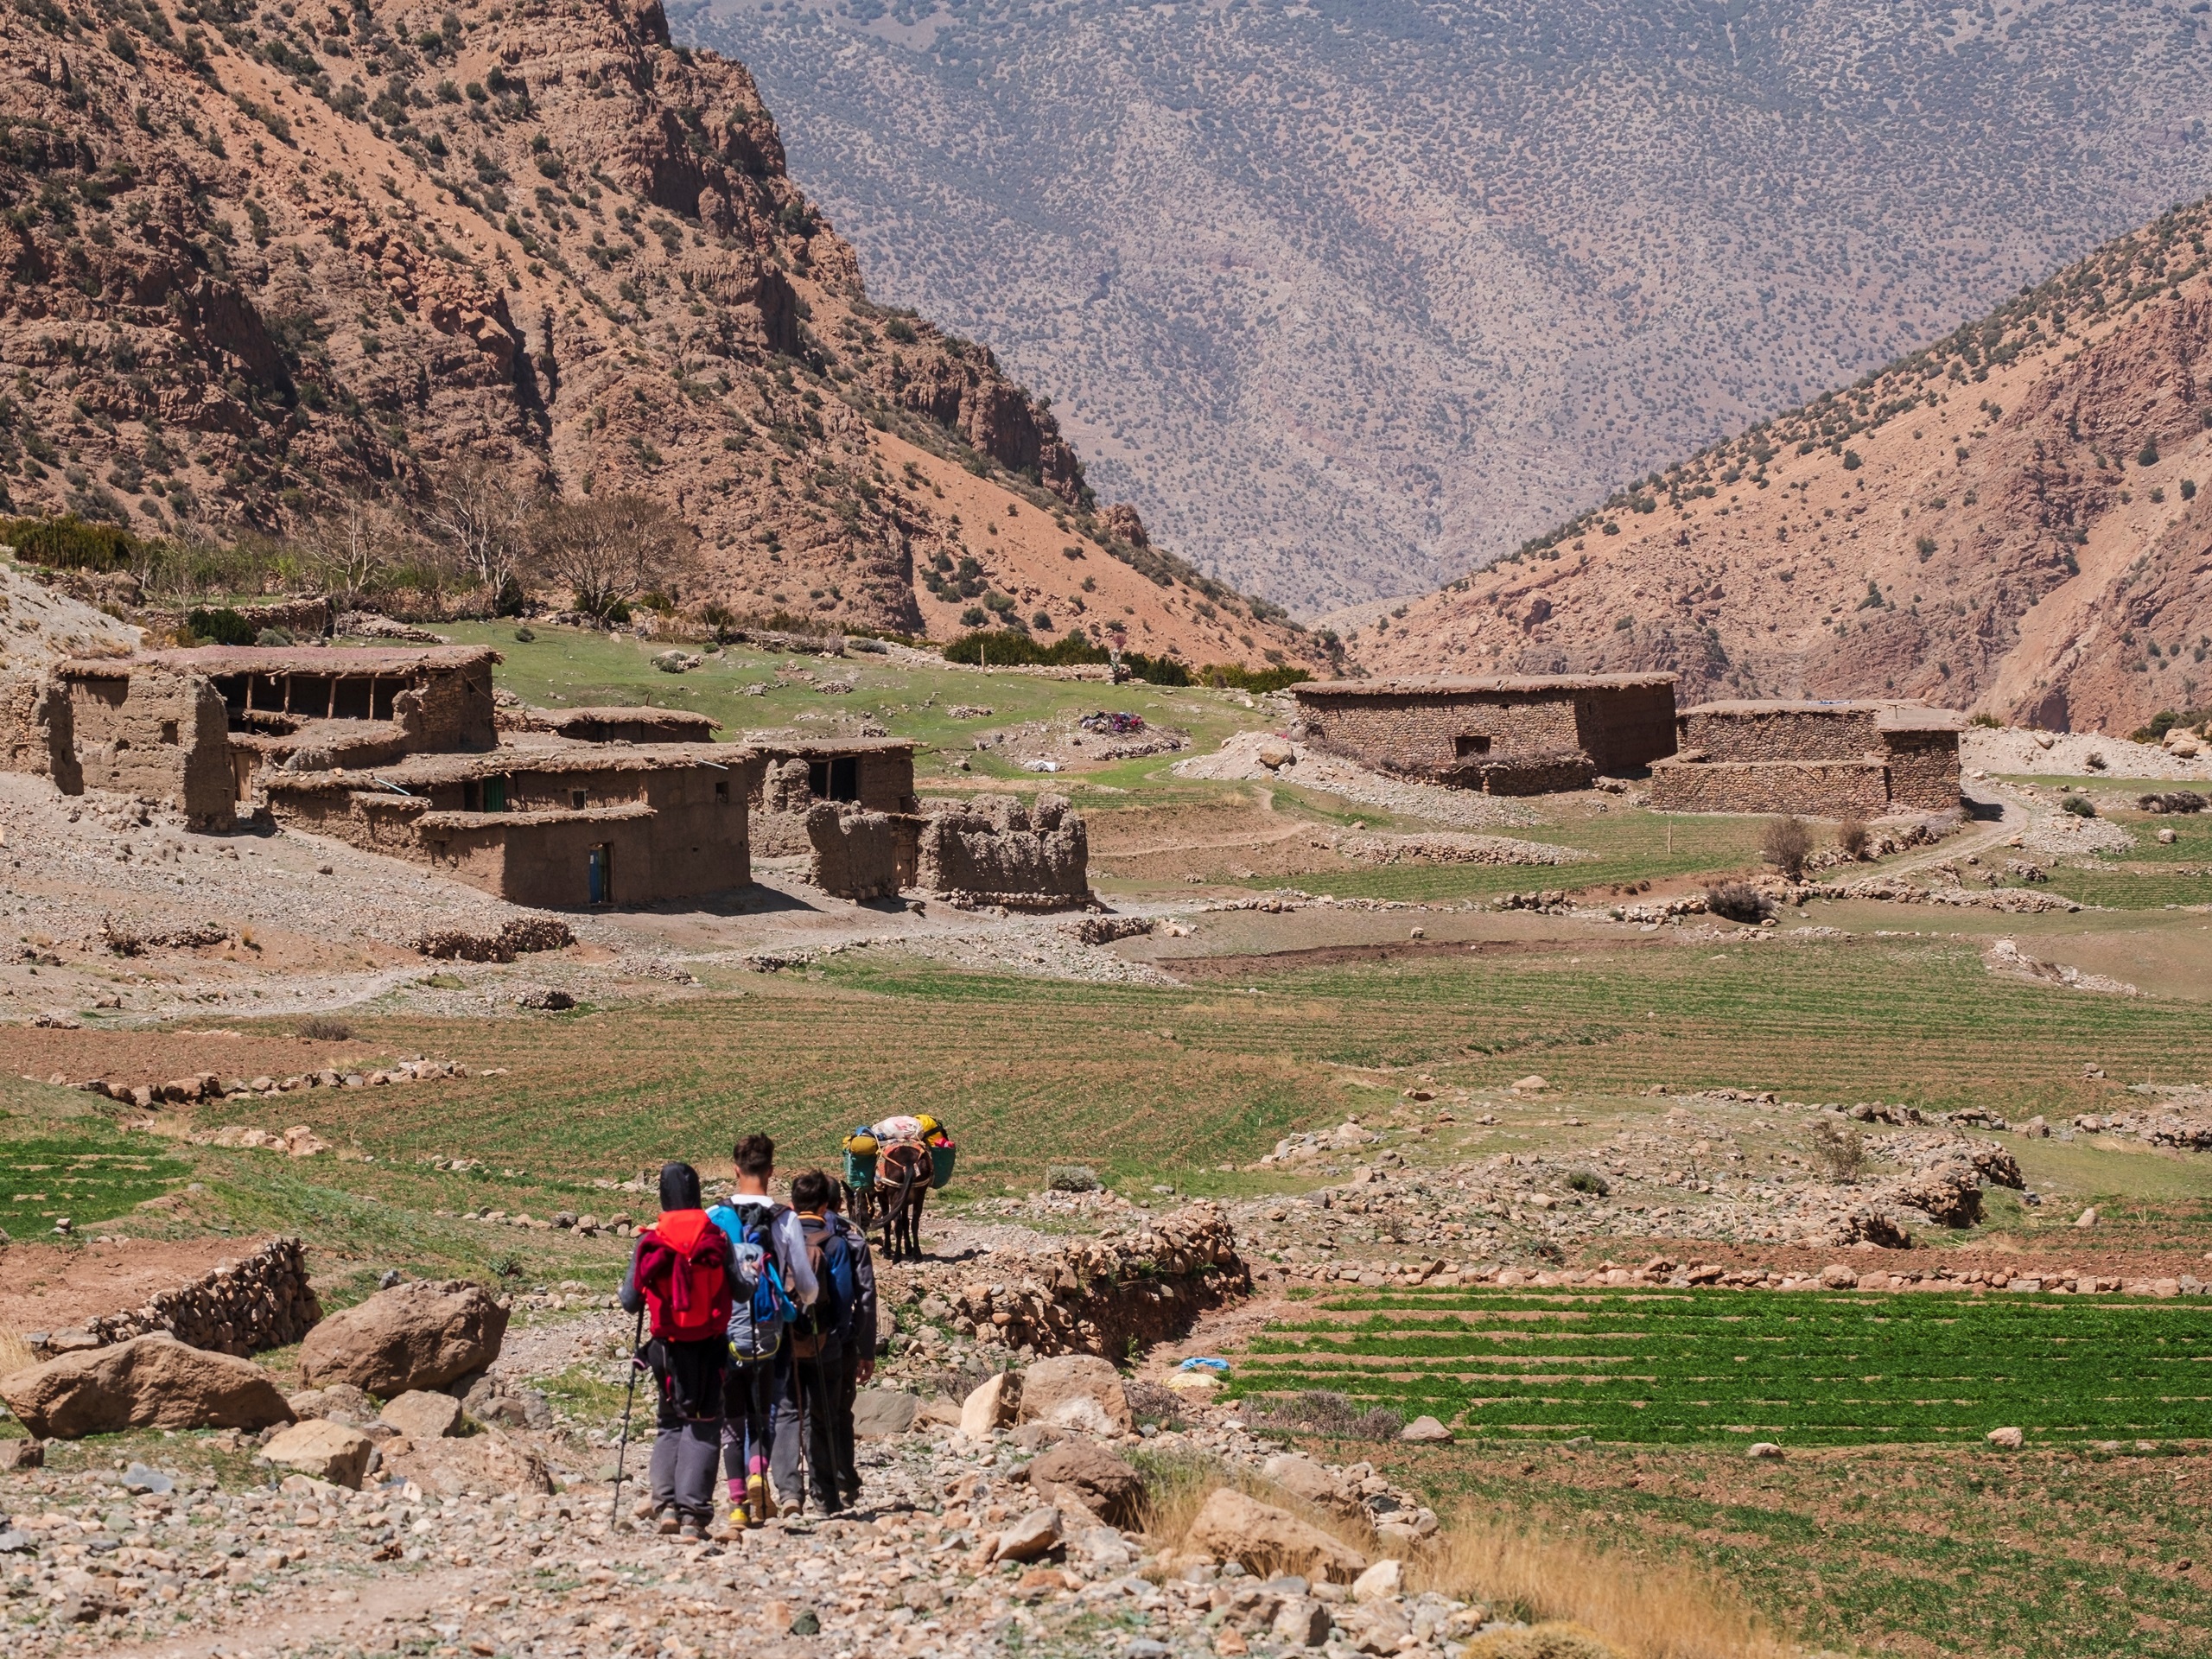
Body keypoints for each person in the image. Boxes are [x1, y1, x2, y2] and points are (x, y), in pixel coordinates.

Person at [706, 1133, 817, 1528]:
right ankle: (759, 1471)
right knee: (765, 1411)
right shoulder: (784, 1218)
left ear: (735, 1170)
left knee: (731, 1417)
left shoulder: (714, 1217)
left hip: (726, 1330)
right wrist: (803, 1303)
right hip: (770, 1329)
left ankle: (737, 1503)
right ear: (771, 1171)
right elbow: (805, 1282)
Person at [619, 1161, 732, 1541]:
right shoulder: (715, 1235)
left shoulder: (650, 1239)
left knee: (669, 1421)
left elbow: (630, 1301)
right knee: (703, 1423)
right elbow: (742, 1290)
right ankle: (693, 1514)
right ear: (697, 1193)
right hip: (710, 1346)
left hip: (665, 1349)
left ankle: (665, 1504)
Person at [770, 1168, 855, 1516]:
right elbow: (844, 1295)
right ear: (825, 1206)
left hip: (785, 1340)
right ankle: (825, 1497)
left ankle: (790, 1491)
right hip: (825, 1343)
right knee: (822, 1416)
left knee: (788, 1413)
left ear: (793, 1203)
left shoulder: (779, 1241)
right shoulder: (834, 1244)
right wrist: (838, 1335)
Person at [823, 1180, 878, 1509]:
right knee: (841, 1411)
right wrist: (866, 1348)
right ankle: (844, 1478)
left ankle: (808, 1486)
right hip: (842, 1340)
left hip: (797, 1338)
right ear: (840, 1206)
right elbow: (867, 1299)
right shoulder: (852, 1238)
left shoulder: (787, 1234)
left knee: (805, 1413)